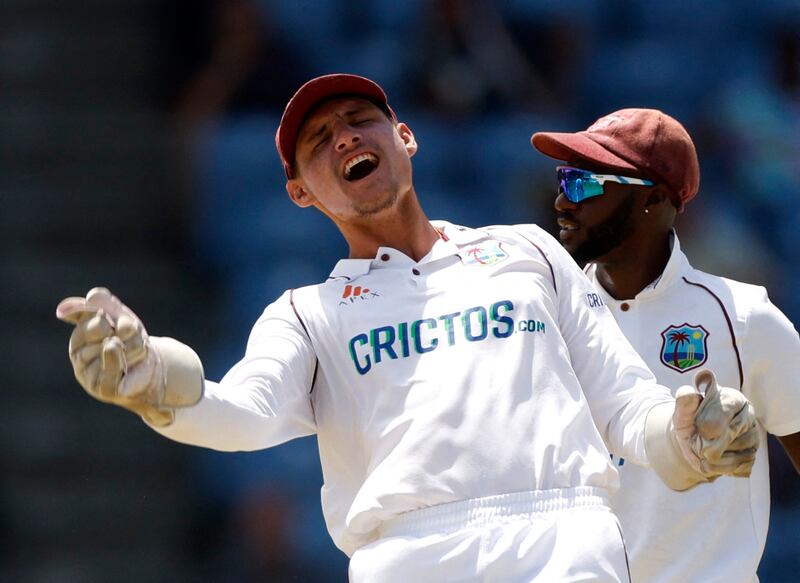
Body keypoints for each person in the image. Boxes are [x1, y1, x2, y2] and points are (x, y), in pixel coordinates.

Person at [57, 75, 758, 583]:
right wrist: (150, 375)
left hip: (564, 539)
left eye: (361, 120)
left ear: (405, 137)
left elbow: (626, 405)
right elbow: (239, 412)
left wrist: (688, 438)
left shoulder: (529, 251)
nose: (346, 139)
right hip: (411, 556)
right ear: (300, 192)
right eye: (320, 143)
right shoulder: (308, 311)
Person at [531, 108, 800, 583]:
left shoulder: (743, 318)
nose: (562, 201)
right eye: (563, 179)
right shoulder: (544, 317)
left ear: (653, 199)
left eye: (583, 184)